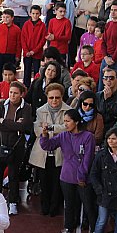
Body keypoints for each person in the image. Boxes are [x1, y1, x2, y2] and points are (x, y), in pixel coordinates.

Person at [40, 109, 97, 233]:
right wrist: (44, 135)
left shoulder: (88, 137)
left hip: (83, 179)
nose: (65, 124)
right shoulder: (63, 136)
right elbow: (48, 145)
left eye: (68, 121)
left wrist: (81, 176)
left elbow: (87, 158)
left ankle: (94, 231)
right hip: (66, 177)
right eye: (64, 121)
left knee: (89, 205)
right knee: (69, 205)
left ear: (76, 122)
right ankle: (68, 229)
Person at [29, 83, 70, 216]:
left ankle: (54, 208)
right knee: (44, 182)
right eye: (51, 97)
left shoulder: (68, 110)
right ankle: (44, 207)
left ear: (62, 97)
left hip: (60, 152)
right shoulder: (40, 110)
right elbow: (37, 130)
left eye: (57, 97)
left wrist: (50, 128)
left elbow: (67, 128)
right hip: (43, 153)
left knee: (57, 183)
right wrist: (54, 129)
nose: (54, 100)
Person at [0, 82, 33, 216]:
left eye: (15, 93)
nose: (12, 95)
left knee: (14, 175)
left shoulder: (26, 107)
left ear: (21, 94)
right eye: (10, 92)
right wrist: (15, 125)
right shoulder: (1, 104)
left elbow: (24, 127)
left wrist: (5, 122)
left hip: (17, 146)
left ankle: (13, 202)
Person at [98, 0, 117, 89]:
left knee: (116, 85)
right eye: (111, 10)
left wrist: (112, 60)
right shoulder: (108, 24)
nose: (113, 12)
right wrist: (105, 57)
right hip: (106, 58)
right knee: (102, 85)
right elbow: (103, 42)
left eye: (115, 10)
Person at [0, 9, 22, 85]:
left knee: (10, 71)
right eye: (4, 17)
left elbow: (19, 44)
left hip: (11, 54)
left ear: (12, 18)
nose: (5, 19)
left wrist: (18, 55)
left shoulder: (17, 29)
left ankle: (11, 86)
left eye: (7, 17)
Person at [96, 67, 117, 131]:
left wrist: (109, 100)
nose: (108, 80)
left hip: (116, 128)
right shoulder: (98, 96)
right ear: (103, 81)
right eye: (106, 78)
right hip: (101, 128)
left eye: (111, 78)